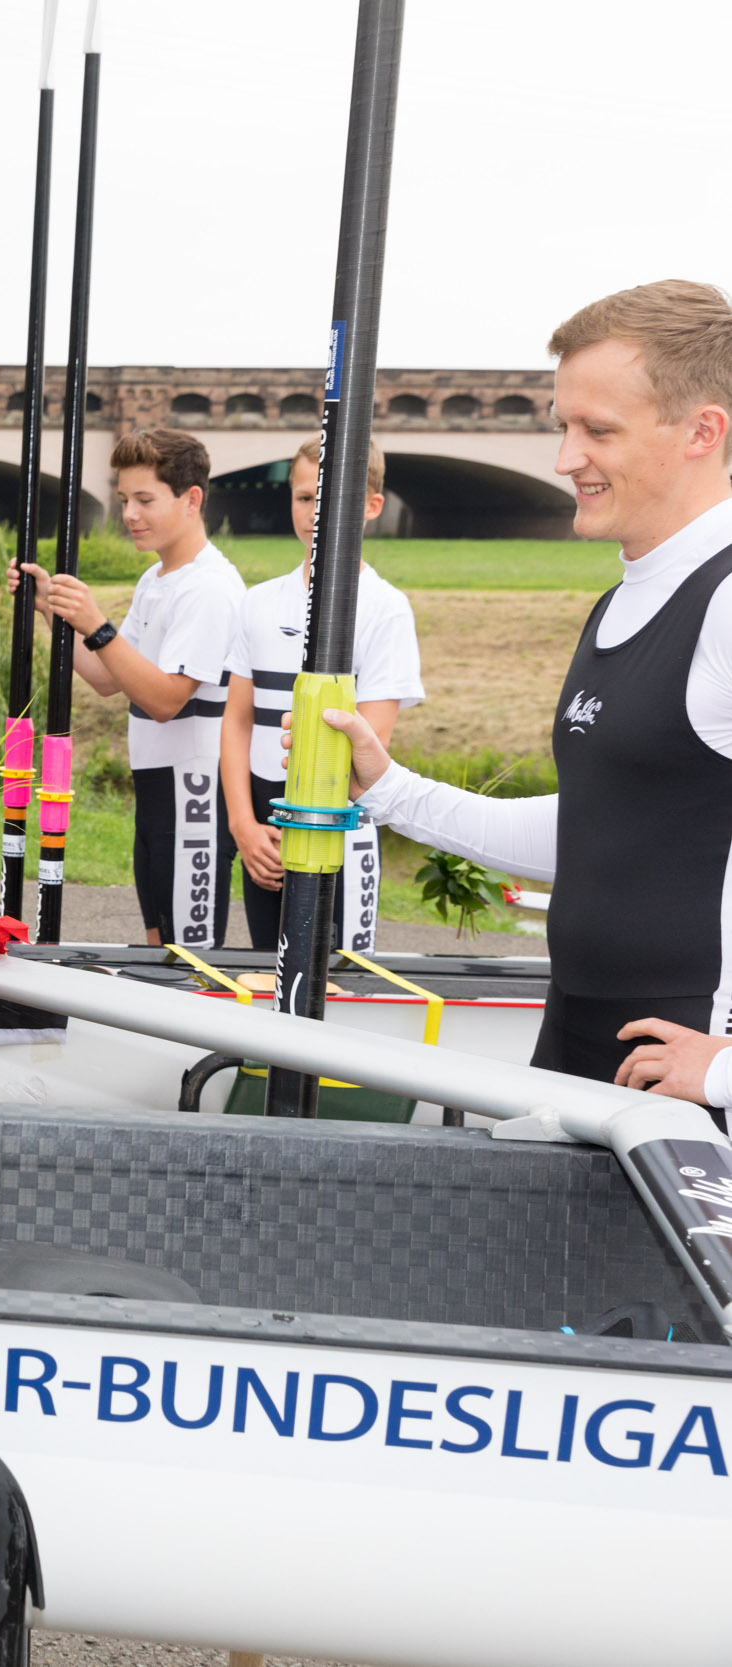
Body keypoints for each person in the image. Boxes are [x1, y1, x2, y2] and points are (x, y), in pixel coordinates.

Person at [312, 280, 732, 1107]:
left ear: (702, 431)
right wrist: (390, 787)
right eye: (563, 426)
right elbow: (605, 829)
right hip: (584, 1032)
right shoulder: (623, 598)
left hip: (684, 1063)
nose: (565, 458)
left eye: (597, 430)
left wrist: (725, 1069)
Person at [16, 427, 247, 949]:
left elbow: (166, 699)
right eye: (124, 500)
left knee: (187, 956)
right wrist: (52, 611)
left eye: (145, 499)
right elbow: (106, 678)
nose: (129, 515)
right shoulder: (157, 579)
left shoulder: (209, 587)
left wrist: (97, 625)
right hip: (157, 787)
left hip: (196, 792)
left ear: (192, 500)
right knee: (156, 943)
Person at [221, 438, 424, 952]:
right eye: (304, 498)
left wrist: (307, 827)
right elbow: (237, 722)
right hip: (265, 833)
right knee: (269, 981)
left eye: (331, 500)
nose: (315, 513)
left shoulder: (385, 608)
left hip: (340, 829)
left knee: (338, 994)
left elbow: (372, 741)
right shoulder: (258, 601)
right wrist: (243, 825)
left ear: (372, 506)